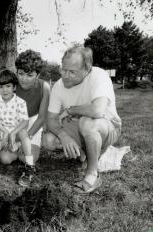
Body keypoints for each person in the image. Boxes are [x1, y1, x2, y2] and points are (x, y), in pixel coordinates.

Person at [42, 46, 121, 193]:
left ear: (87, 70)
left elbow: (97, 110)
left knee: (87, 123)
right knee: (48, 140)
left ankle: (92, 175)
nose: (65, 75)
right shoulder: (59, 86)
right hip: (77, 126)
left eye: (72, 72)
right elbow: (51, 119)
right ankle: (87, 152)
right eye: (63, 69)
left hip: (108, 126)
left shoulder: (99, 75)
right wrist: (64, 136)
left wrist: (70, 110)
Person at [0, 50, 51, 187]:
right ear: (16, 71)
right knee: (6, 158)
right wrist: (7, 135)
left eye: (30, 75)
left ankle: (27, 162)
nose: (24, 79)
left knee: (26, 156)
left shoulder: (44, 87)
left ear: (37, 75)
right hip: (14, 121)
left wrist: (22, 141)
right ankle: (2, 145)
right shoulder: (11, 85)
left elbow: (42, 118)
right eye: (20, 73)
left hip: (33, 121)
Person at [0, 69, 34, 185]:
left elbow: (25, 121)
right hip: (0, 132)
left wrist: (12, 133)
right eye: (1, 87)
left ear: (14, 87)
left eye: (8, 86)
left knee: (23, 132)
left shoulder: (20, 102)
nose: (4, 90)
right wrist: (5, 132)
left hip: (15, 134)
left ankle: (29, 167)